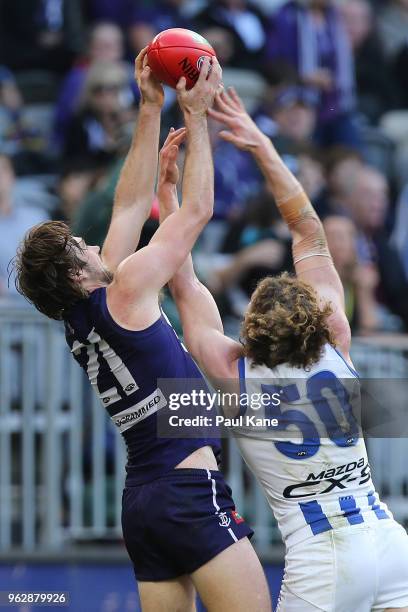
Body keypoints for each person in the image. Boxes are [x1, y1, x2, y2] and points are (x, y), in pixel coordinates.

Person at [13, 50, 271, 612]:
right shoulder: (125, 291)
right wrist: (196, 115)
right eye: (82, 247)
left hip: (143, 502)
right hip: (186, 490)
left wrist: (150, 107)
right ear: (79, 274)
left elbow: (130, 203)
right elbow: (200, 211)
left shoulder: (81, 318)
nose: (92, 243)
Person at [165, 88, 408, 611]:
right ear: (318, 318)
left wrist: (170, 196)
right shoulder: (337, 343)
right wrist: (261, 144)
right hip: (389, 544)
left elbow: (183, 282)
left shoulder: (235, 377)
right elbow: (308, 232)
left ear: (249, 328)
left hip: (324, 555)